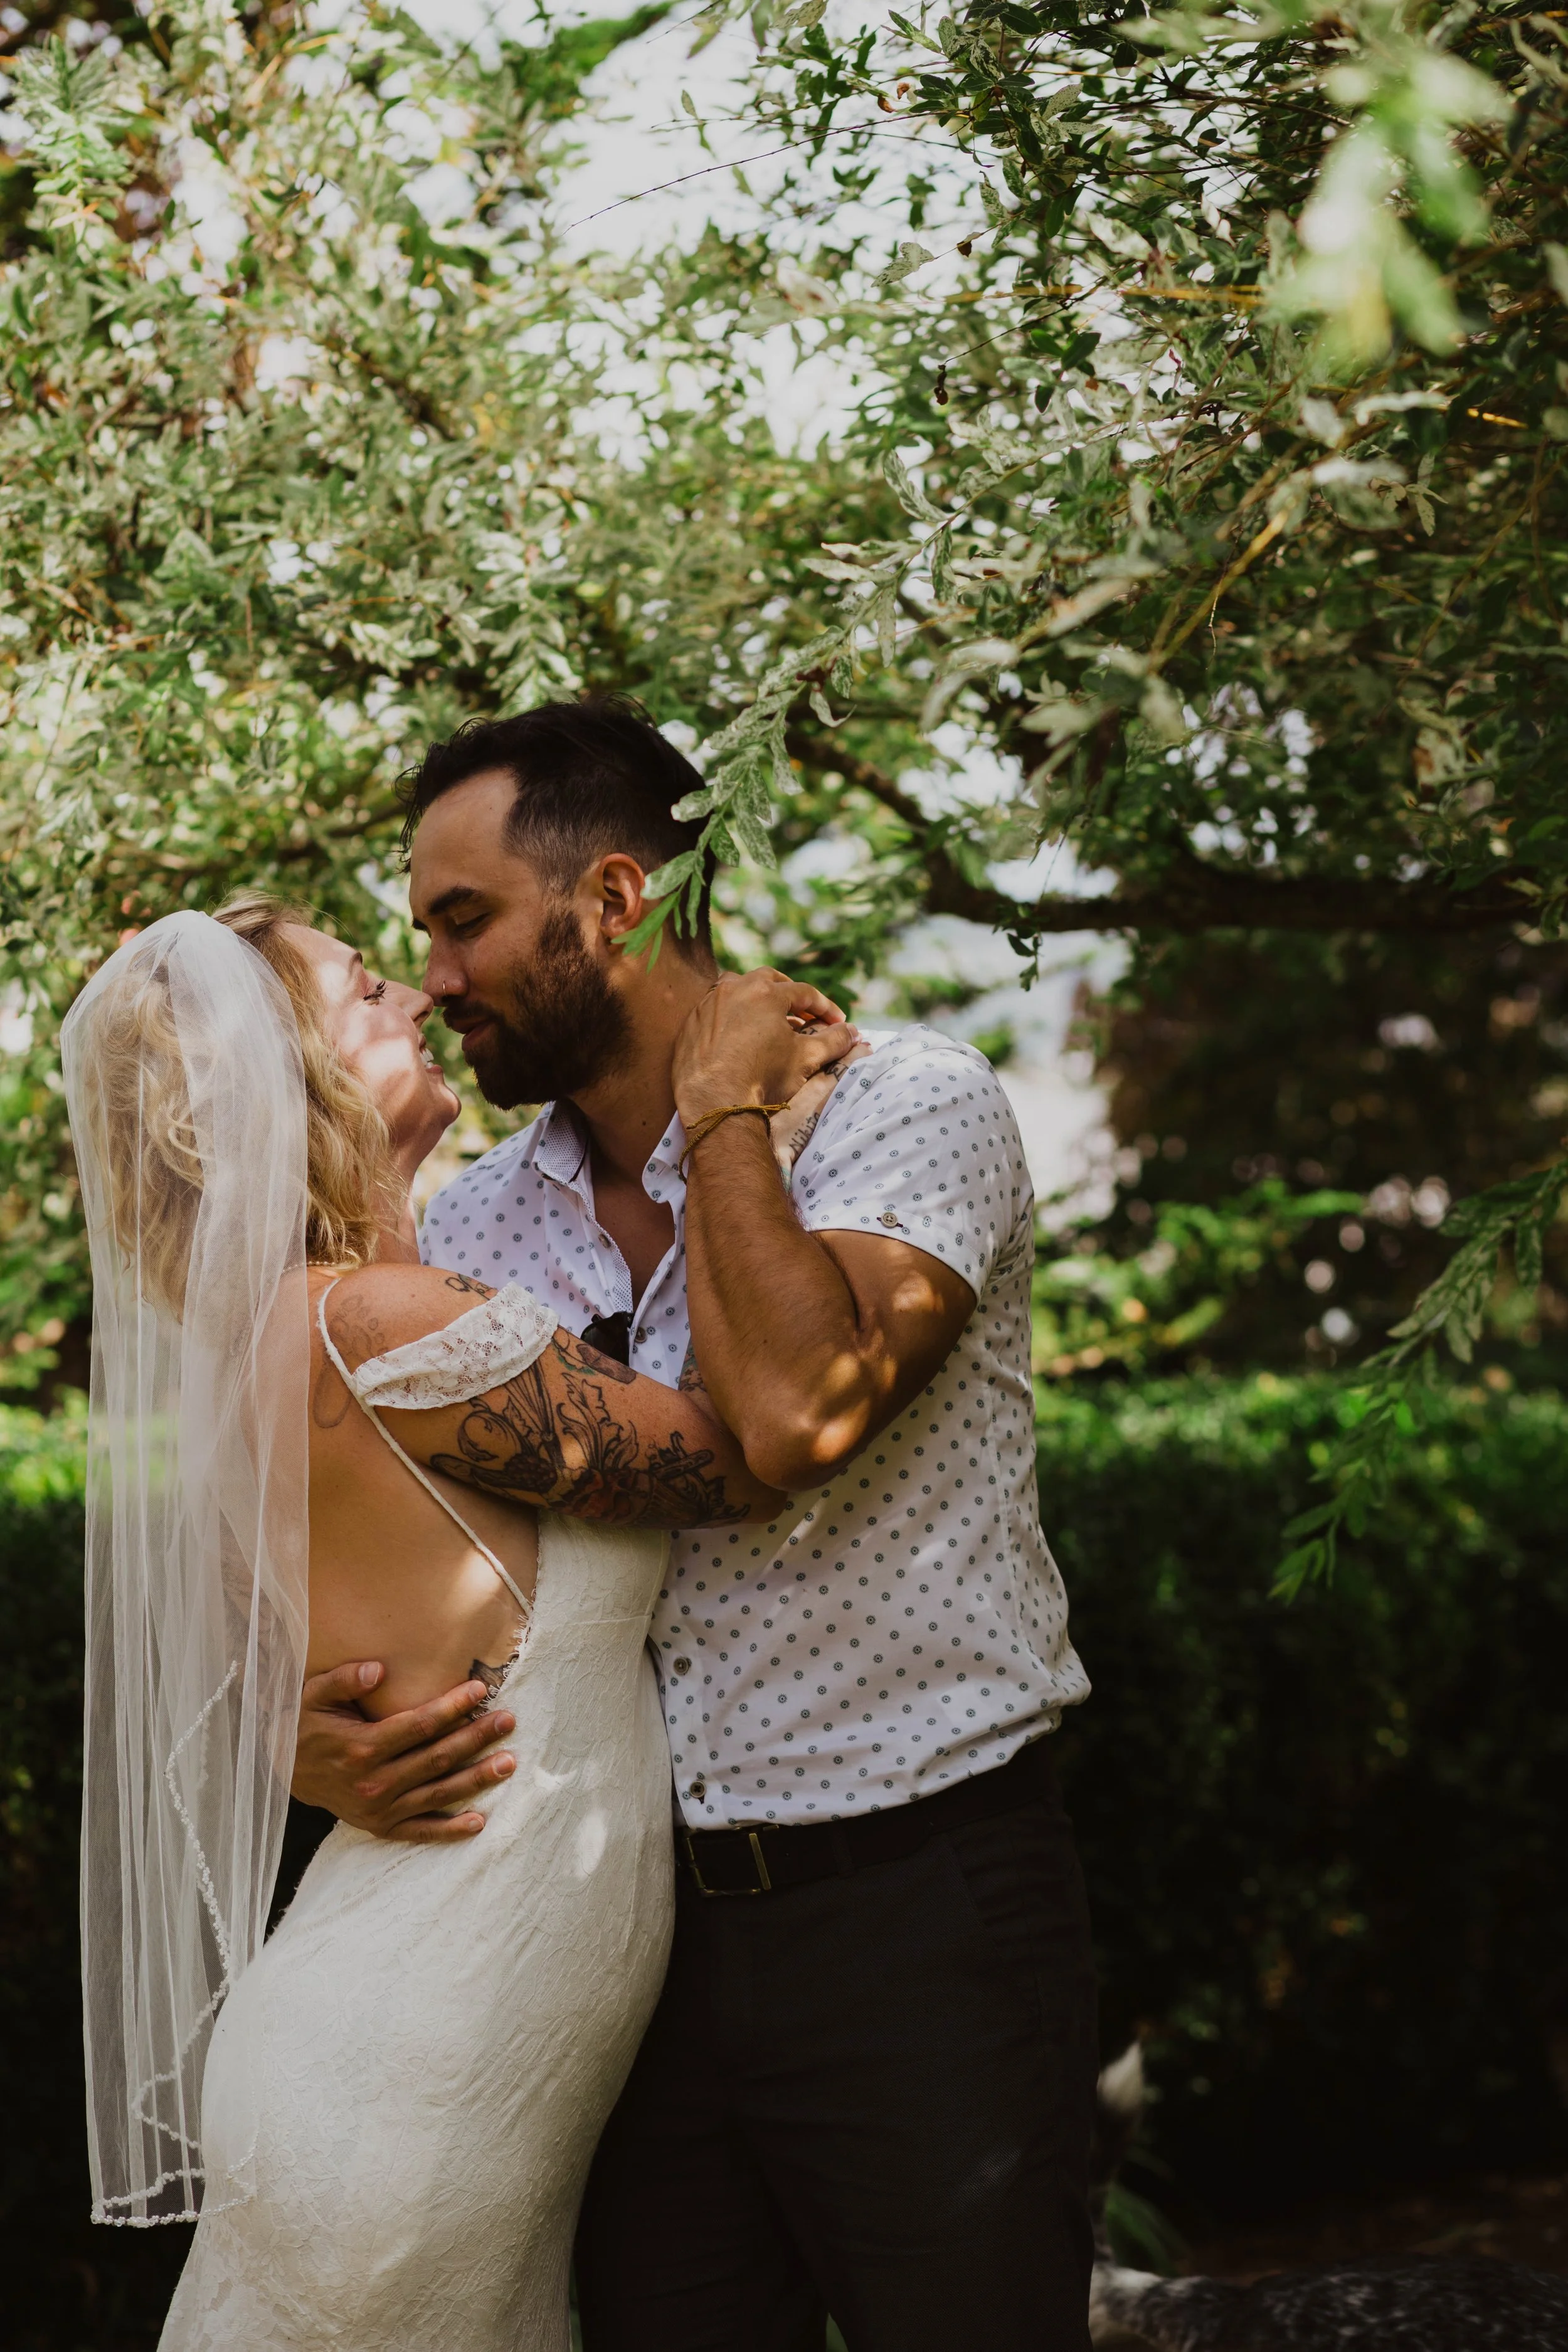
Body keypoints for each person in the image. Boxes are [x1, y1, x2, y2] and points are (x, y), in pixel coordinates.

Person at [294, 696, 1098, 2352]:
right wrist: (306, 1735)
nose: (433, 973)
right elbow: (406, 1550)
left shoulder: (908, 1107)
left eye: (462, 920)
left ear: (611, 902)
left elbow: (799, 1411)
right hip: (614, 1952)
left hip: (919, 1904)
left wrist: (722, 1111)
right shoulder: (471, 1217)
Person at [65, 896, 845, 2351]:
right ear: (289, 1067)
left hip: (407, 2038)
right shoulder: (380, 1324)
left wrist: (301, 1743)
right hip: (417, 2072)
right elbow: (750, 1449)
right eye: (366, 988)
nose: (416, 1001)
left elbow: (280, 1679)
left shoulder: (262, 1348)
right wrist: (738, 1119)